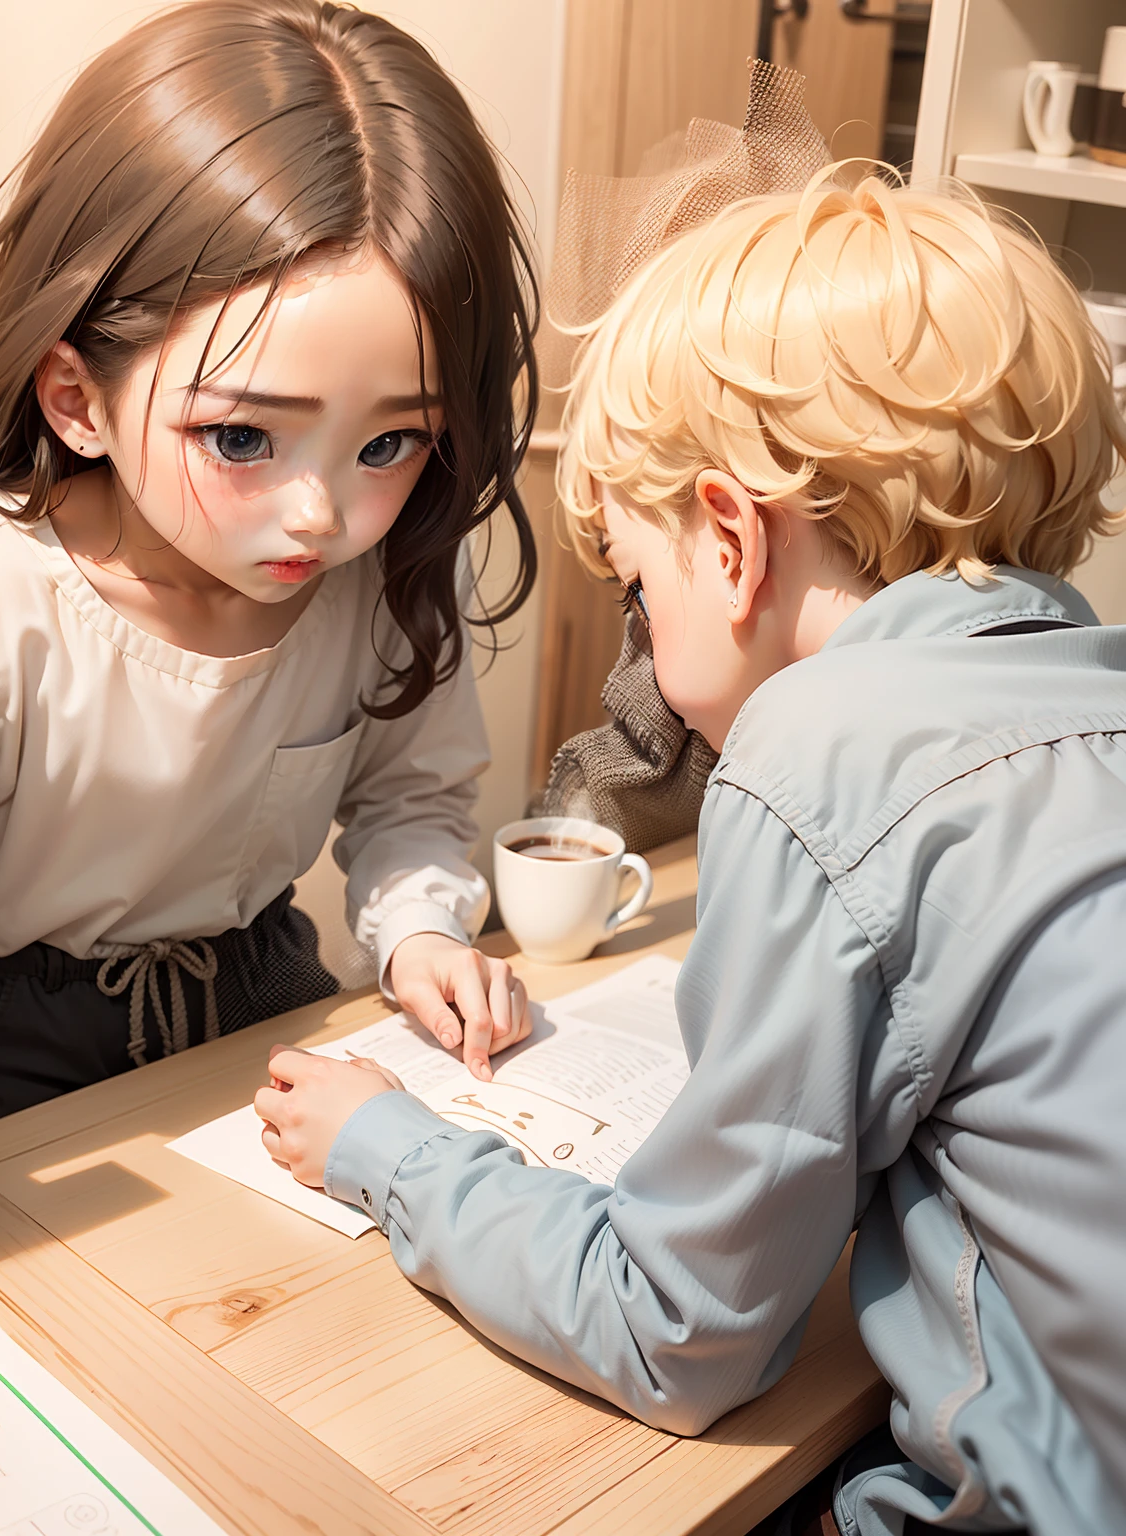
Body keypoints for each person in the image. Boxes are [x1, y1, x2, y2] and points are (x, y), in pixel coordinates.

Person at [256, 166, 1126, 1535]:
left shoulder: (819, 752)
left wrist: (388, 1147)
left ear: (729, 542)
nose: (646, 638)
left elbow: (677, 1328)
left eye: (637, 585)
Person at [0, 0, 538, 1143]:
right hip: (13, 1036)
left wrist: (423, 931)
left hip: (263, 998)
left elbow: (412, 797)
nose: (322, 513)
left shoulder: (372, 572)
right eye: (242, 438)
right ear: (77, 398)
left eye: (388, 442)